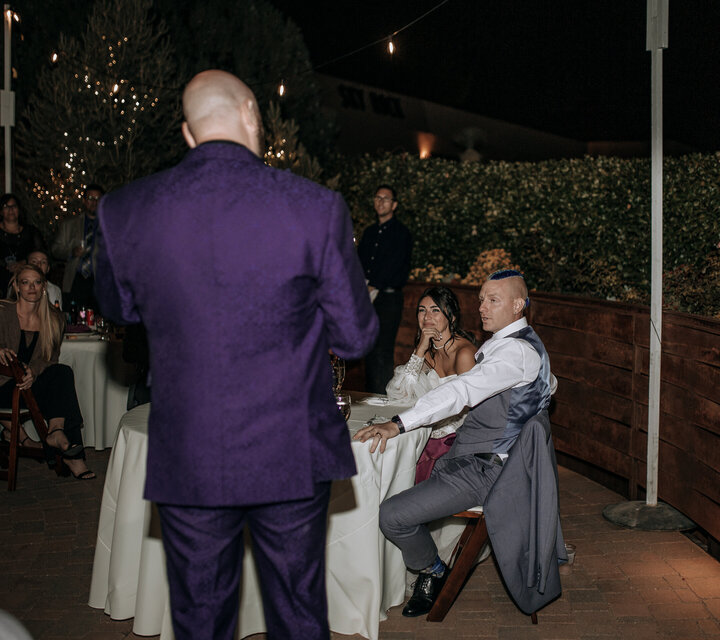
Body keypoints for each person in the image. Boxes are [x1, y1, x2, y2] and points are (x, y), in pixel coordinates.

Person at [94, 69, 378, 640]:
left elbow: (119, 310)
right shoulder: (314, 207)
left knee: (199, 620)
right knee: (298, 615)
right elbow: (355, 339)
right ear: (253, 117)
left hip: (190, 451)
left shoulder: (127, 210)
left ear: (188, 133)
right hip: (290, 450)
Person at [355, 269, 565, 618]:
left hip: (486, 471)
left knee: (392, 515)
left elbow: (461, 390)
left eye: (493, 300)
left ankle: (432, 569)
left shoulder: (515, 352)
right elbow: (551, 383)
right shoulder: (521, 345)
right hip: (481, 458)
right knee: (407, 476)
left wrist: (397, 424)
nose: (482, 306)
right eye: (481, 298)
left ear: (518, 305)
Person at [0, 264, 94, 480]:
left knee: (62, 373)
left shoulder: (54, 318)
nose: (31, 287)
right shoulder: (3, 311)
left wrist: (33, 370)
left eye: (37, 282)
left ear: (44, 287)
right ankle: (73, 456)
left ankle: (55, 431)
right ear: (16, 286)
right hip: (4, 385)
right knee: (60, 390)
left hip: (29, 386)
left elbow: (49, 359)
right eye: (25, 282)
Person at [385, 286, 477, 483]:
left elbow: (474, 409)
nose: (427, 316)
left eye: (435, 310)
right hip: (428, 434)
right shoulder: (428, 350)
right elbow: (399, 393)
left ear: (451, 317)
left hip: (455, 441)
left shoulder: (464, 354)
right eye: (422, 310)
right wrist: (420, 349)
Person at [357, 185, 413, 394]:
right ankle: (370, 396)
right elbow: (359, 263)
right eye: (377, 197)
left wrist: (374, 285)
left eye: (386, 198)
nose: (381, 202)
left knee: (382, 351)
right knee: (369, 350)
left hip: (388, 300)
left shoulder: (401, 233)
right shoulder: (370, 232)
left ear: (394, 204)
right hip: (367, 298)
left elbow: (397, 265)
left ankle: (381, 399)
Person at [51, 183, 104, 311]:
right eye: (91, 199)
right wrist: (71, 252)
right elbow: (55, 250)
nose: (94, 203)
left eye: (98, 199)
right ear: (84, 200)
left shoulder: (110, 226)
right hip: (76, 280)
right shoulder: (69, 225)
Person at [0, 194, 45, 296]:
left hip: (27, 281)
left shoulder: (31, 232)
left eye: (14, 206)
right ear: (1, 211)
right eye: (6, 206)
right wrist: (7, 266)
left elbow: (41, 254)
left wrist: (24, 263)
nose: (11, 210)